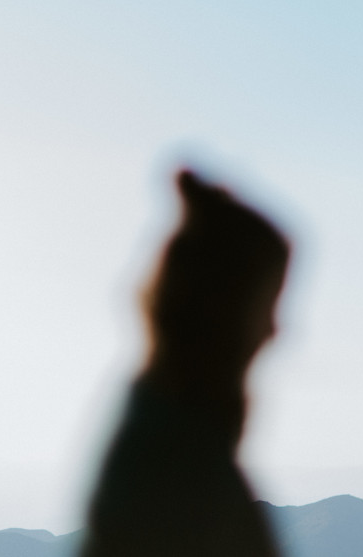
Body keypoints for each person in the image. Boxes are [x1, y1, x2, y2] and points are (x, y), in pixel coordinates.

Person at [79, 169, 290, 557]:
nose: (276, 330)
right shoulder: (181, 474)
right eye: (269, 305)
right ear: (224, 313)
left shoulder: (166, 437)